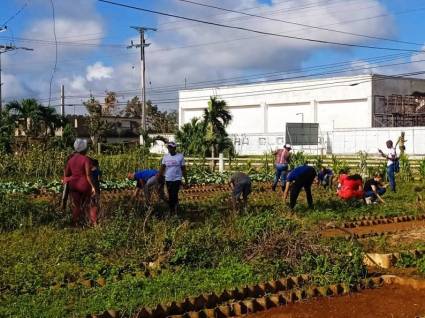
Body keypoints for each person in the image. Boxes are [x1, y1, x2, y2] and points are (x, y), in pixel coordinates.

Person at [64, 139, 96, 226]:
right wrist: (93, 187)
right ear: (84, 149)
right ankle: (94, 223)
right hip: (84, 184)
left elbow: (66, 174)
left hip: (73, 185)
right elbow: (88, 175)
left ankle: (74, 224)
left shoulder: (70, 160)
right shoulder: (86, 159)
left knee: (77, 206)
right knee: (91, 204)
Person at [159, 142, 188, 213]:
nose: (169, 149)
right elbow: (162, 167)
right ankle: (174, 208)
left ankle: (173, 210)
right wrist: (160, 177)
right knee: (170, 195)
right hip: (168, 179)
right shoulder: (165, 157)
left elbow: (183, 169)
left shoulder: (180, 156)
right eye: (169, 147)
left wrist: (186, 180)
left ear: (175, 148)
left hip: (177, 179)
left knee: (174, 194)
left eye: (171, 147)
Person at [89, 158, 101, 224]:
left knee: (91, 203)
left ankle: (91, 219)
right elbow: (99, 179)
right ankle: (95, 219)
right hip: (96, 188)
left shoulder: (89, 171)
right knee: (96, 203)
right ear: (97, 164)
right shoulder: (97, 170)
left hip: (90, 188)